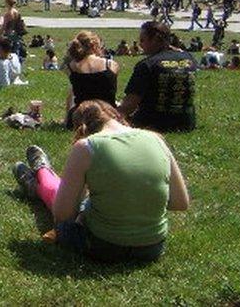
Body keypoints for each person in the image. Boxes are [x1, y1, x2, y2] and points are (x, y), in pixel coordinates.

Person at [12, 100, 190, 262]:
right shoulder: (156, 139)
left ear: (81, 128)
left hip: (103, 245)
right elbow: (180, 202)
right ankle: (39, 177)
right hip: (152, 247)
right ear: (117, 116)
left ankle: (40, 177)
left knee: (71, 215)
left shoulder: (86, 147)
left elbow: (63, 216)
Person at [118, 21, 198, 132]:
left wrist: (111, 116)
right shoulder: (189, 59)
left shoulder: (147, 65)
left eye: (143, 40)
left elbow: (129, 106)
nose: (140, 45)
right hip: (186, 123)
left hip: (153, 123)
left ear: (155, 39)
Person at [63, 31, 118, 129]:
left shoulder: (72, 67)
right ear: (95, 46)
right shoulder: (111, 65)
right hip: (107, 115)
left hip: (81, 117)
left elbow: (71, 93)